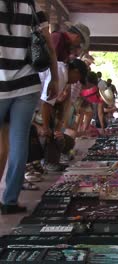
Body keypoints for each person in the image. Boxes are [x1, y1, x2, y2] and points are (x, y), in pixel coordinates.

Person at [0, 0, 59, 214]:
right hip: (26, 84)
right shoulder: (31, 5)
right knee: (18, 143)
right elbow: (48, 45)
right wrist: (53, 78)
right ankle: (10, 201)